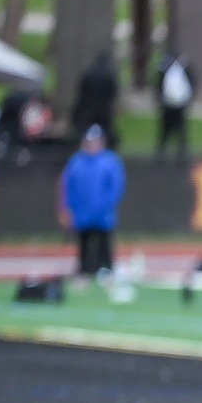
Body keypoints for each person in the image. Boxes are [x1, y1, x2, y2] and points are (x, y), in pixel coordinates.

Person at [57, 125, 126, 280]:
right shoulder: (76, 162)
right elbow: (68, 186)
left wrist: (106, 204)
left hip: (102, 213)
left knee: (104, 244)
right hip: (82, 213)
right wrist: (67, 207)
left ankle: (106, 268)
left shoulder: (109, 161)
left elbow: (115, 186)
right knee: (84, 244)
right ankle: (85, 269)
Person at [71, 51, 118, 149]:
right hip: (103, 111)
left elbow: (82, 92)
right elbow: (112, 93)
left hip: (89, 109)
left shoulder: (88, 75)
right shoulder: (108, 76)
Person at [155, 45, 195, 160]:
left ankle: (181, 156)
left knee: (178, 132)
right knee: (166, 132)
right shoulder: (165, 67)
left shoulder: (182, 67)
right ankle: (161, 157)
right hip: (170, 105)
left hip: (178, 105)